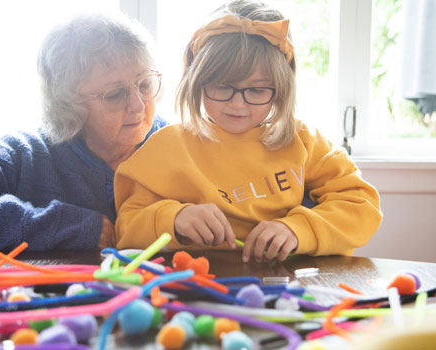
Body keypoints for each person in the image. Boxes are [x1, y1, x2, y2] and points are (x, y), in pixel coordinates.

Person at [114, 0, 382, 263]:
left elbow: (362, 206)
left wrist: (298, 229)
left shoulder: (303, 141)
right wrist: (175, 219)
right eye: (222, 86)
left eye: (256, 90)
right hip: (199, 283)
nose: (238, 103)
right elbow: (126, 226)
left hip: (286, 283)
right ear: (196, 82)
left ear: (281, 90)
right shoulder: (167, 147)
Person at [0, 13, 167, 252]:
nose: (138, 105)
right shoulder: (24, 154)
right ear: (68, 104)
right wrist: (63, 226)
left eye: (145, 84)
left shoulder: (178, 145)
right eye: (115, 94)